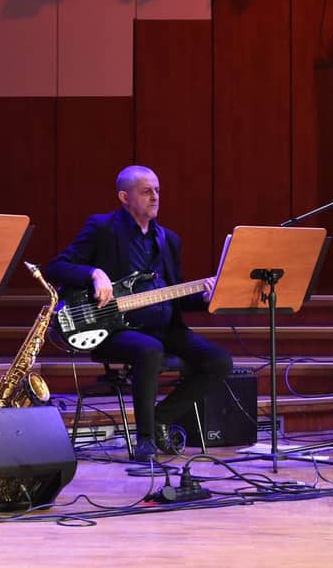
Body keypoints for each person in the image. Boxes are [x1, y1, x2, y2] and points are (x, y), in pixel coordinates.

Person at [44, 165, 233, 461]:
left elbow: (175, 295)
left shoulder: (168, 239)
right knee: (150, 349)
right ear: (124, 197)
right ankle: (145, 439)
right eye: (146, 191)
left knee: (219, 361)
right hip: (113, 329)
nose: (155, 197)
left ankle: (159, 418)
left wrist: (206, 297)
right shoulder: (102, 228)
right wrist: (94, 273)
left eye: (157, 190)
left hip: (165, 327)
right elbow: (56, 267)